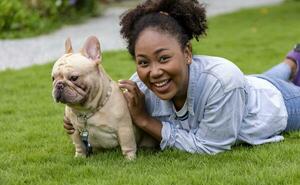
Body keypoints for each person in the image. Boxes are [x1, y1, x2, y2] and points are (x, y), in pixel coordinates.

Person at [65, 0, 300, 154]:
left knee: (267, 87)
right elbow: (111, 117)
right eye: (143, 62)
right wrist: (80, 118)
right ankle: (292, 61)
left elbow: (209, 146)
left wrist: (146, 121)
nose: (154, 72)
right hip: (246, 86)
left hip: (276, 102)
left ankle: (291, 65)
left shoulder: (222, 81)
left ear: (187, 53)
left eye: (164, 58)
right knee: (261, 79)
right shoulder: (138, 88)